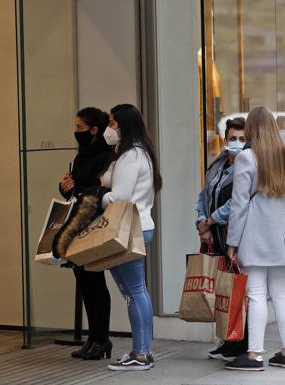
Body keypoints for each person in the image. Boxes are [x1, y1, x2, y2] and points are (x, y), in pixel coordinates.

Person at [225, 106, 285, 371]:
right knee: (281, 294)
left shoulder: (248, 158)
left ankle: (255, 355)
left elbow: (239, 205)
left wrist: (231, 243)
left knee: (256, 294)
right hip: (283, 239)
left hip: (256, 237)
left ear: (251, 129)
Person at [102, 104, 162, 371]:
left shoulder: (130, 157)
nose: (109, 128)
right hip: (139, 226)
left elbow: (118, 197)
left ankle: (140, 353)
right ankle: (143, 351)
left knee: (134, 291)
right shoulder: (140, 153)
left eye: (113, 123)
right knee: (136, 290)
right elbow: (108, 178)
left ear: (123, 126)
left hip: (128, 228)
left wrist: (98, 199)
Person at [59, 107, 114, 360]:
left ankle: (102, 339)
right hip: (78, 223)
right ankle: (93, 338)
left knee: (95, 282)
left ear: (93, 129)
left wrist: (77, 188)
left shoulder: (106, 155)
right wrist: (65, 187)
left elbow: (98, 190)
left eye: (80, 128)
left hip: (93, 223)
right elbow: (76, 191)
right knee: (84, 281)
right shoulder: (81, 155)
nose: (76, 132)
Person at [197, 117, 249, 361]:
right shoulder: (216, 164)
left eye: (241, 139)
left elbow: (237, 202)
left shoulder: (247, 166)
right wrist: (201, 220)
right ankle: (227, 339)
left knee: (238, 288)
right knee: (223, 289)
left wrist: (211, 220)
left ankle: (241, 342)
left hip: (234, 235)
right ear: (224, 139)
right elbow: (203, 194)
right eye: (232, 138)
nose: (236, 143)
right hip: (214, 234)